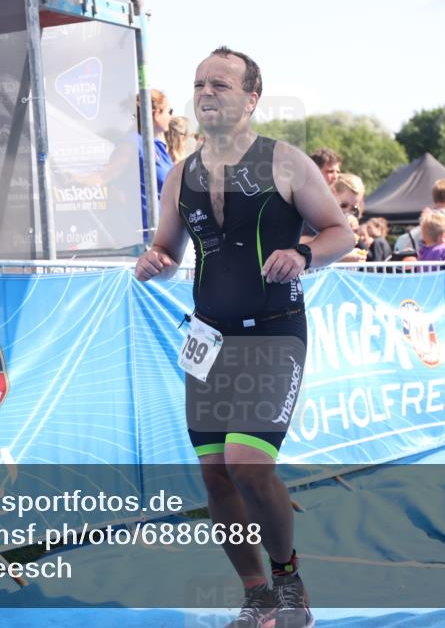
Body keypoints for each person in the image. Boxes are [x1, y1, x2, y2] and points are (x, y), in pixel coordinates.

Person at [135, 46, 354, 628]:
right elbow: (168, 246)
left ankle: (289, 583)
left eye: (221, 85)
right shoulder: (181, 172)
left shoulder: (285, 161)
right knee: (215, 474)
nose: (207, 92)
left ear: (251, 98)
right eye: (200, 83)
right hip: (207, 339)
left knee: (248, 464)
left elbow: (343, 233)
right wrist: (154, 259)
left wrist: (303, 253)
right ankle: (255, 594)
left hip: (274, 334)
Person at [139, 89, 175, 231]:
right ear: (156, 113)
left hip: (166, 230)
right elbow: (106, 177)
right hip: (149, 234)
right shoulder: (133, 144)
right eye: (169, 111)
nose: (171, 117)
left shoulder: (158, 146)